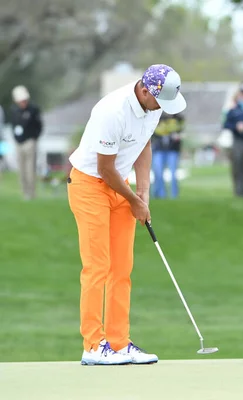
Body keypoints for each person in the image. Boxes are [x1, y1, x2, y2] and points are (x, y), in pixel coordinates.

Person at [67, 64, 187, 366]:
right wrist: (133, 199)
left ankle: (119, 343)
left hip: (121, 185)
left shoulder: (154, 106)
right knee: (98, 267)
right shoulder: (112, 111)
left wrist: (144, 193)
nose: (162, 108)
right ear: (145, 90)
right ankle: (93, 346)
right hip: (89, 184)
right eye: (160, 101)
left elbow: (144, 144)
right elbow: (105, 168)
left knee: (122, 268)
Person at [9, 86, 43, 200]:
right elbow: (13, 126)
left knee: (30, 169)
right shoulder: (14, 110)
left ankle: (32, 193)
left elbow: (39, 126)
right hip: (19, 143)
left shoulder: (33, 109)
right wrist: (16, 139)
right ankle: (25, 193)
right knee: (22, 169)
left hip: (30, 142)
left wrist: (34, 138)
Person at [151, 111, 185, 199]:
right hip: (159, 149)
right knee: (158, 172)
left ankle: (174, 195)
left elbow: (181, 130)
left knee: (173, 173)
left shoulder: (179, 118)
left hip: (172, 149)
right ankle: (160, 194)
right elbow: (154, 131)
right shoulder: (157, 117)